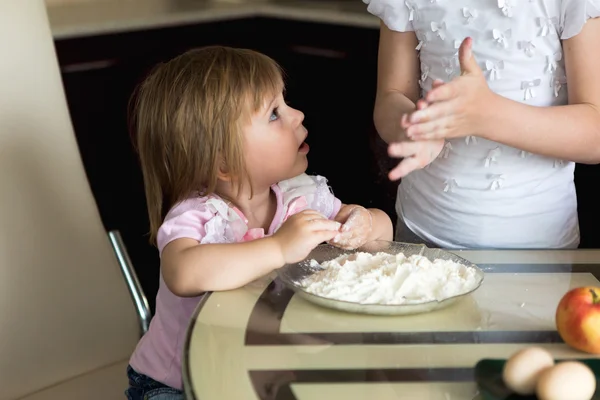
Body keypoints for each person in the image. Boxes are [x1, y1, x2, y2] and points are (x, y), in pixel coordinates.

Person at [124, 46, 393, 399]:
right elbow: (183, 274)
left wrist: (363, 224)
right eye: (273, 114)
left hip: (260, 371)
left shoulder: (302, 196)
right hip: (180, 381)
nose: (297, 116)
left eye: (286, 103)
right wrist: (278, 247)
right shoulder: (200, 215)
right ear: (223, 164)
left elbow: (384, 234)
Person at [364, 0, 600, 249]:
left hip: (541, 246)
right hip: (422, 233)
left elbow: (594, 132)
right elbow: (391, 95)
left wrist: (488, 115)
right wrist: (415, 128)